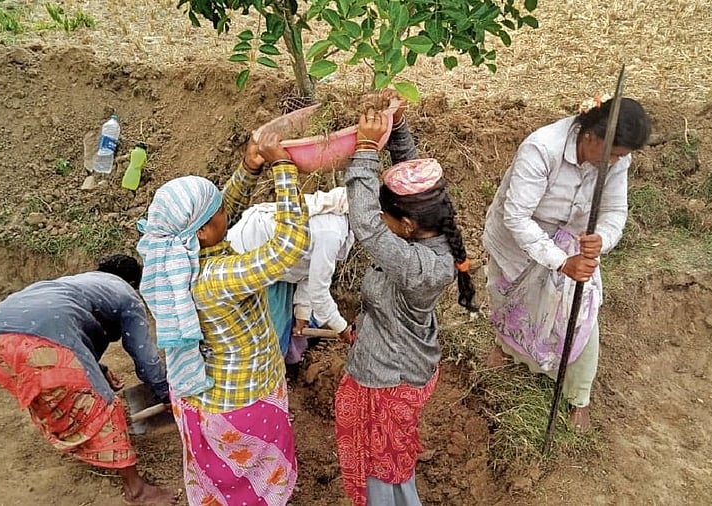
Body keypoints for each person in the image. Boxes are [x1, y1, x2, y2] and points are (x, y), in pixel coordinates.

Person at [136, 131, 309, 506]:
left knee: (220, 483)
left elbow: (214, 218)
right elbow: (288, 248)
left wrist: (248, 168)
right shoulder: (215, 278)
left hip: (203, 399)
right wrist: (283, 169)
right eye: (220, 213)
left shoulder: (175, 254)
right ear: (203, 229)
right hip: (242, 407)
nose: (226, 214)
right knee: (253, 488)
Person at [333, 94, 478, 506]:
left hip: (389, 380)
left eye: (388, 215)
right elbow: (409, 178)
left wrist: (363, 151)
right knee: (390, 461)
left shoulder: (418, 266)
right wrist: (397, 127)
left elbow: (365, 225)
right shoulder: (429, 231)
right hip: (399, 364)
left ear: (408, 226)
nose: (382, 219)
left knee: (382, 468)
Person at [482, 97, 652, 432]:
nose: (619, 161)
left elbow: (615, 210)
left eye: (622, 156)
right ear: (591, 138)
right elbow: (516, 217)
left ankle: (578, 396)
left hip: (573, 244)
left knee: (582, 316)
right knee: (511, 305)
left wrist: (601, 237)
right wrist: (561, 262)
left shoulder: (617, 160)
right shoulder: (541, 148)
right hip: (520, 244)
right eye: (615, 153)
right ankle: (506, 349)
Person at [0, 255, 178, 505]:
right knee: (106, 405)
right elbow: (144, 357)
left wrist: (99, 368)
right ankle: (136, 490)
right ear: (133, 282)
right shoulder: (127, 294)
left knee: (57, 392)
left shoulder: (78, 283)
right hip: (41, 344)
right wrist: (165, 392)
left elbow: (66, 326)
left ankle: (87, 445)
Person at [226, 185, 355, 366]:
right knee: (263, 332)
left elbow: (309, 270)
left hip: (279, 266)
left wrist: (302, 313)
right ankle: (260, 374)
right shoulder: (332, 233)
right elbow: (319, 293)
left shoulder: (343, 227)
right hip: (248, 257)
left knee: (282, 324)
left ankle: (278, 366)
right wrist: (342, 328)